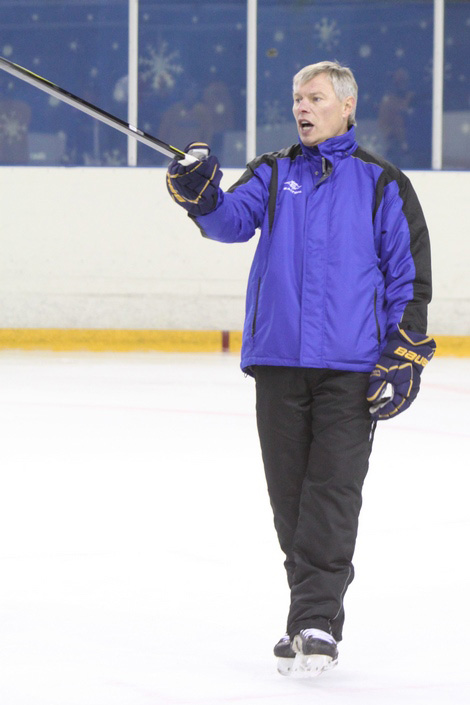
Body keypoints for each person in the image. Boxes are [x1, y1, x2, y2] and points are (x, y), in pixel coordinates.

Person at [166, 61, 436, 678]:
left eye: (314, 97)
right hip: (279, 362)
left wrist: (403, 353)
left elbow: (408, 275)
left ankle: (314, 622)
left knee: (331, 495)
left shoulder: (381, 182)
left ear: (347, 105)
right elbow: (229, 221)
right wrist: (200, 194)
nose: (302, 108)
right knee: (290, 501)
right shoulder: (273, 170)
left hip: (351, 369)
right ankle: (310, 616)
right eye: (296, 98)